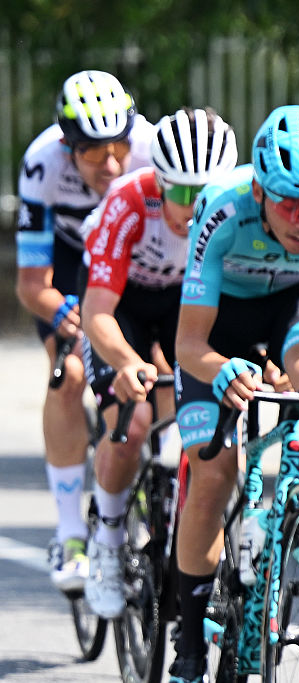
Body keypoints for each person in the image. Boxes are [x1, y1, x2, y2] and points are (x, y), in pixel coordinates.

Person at [168, 104, 299, 683]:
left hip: (296, 300)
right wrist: (221, 369)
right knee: (213, 474)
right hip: (219, 321)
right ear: (258, 191)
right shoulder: (223, 208)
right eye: (290, 205)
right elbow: (188, 343)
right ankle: (189, 640)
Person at [79, 107, 238, 618]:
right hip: (120, 304)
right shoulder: (128, 201)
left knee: (185, 423)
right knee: (133, 423)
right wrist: (127, 363)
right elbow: (96, 312)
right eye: (182, 193)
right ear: (160, 181)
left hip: (180, 305)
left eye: (205, 193)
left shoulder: (233, 210)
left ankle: (175, 515)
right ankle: (107, 540)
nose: (193, 208)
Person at [15, 69, 154, 593]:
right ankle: (71, 532)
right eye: (94, 152)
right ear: (67, 146)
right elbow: (32, 284)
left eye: (118, 147)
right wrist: (67, 317)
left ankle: (156, 484)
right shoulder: (42, 165)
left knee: (160, 371)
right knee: (69, 374)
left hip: (134, 260)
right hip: (72, 265)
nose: (111, 164)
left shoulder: (153, 149)